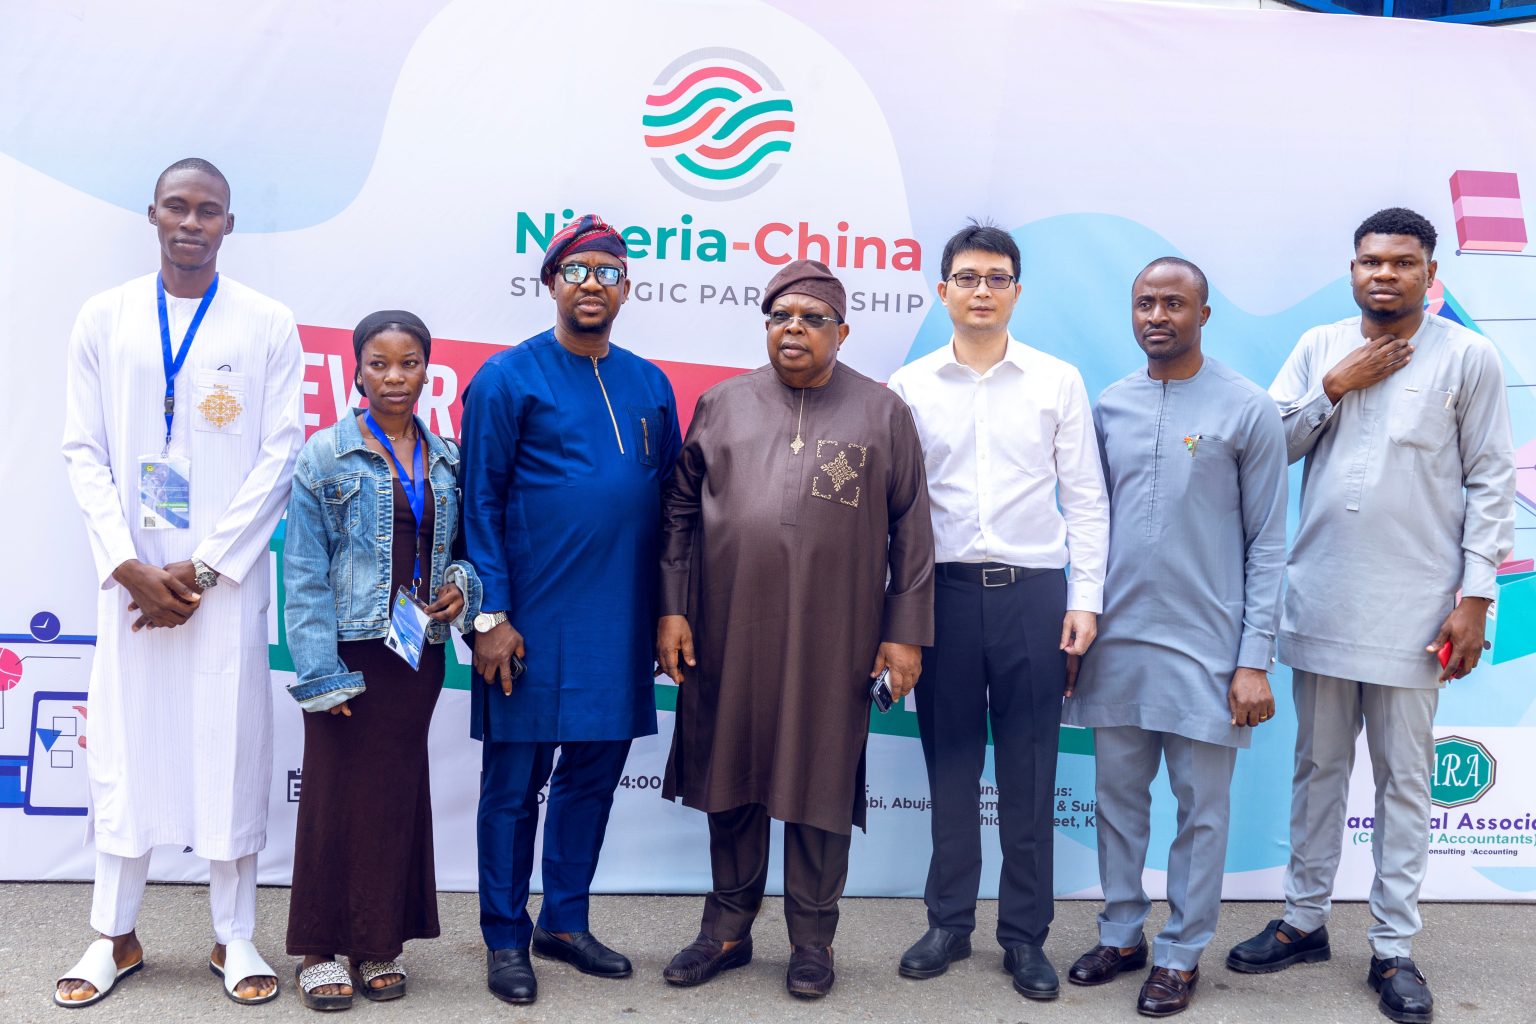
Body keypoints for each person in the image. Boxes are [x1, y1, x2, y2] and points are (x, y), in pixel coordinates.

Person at [1228, 208, 1515, 1024]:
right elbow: (1267, 451)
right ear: (1352, 270)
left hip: (1419, 609)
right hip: (1322, 594)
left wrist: (1475, 597)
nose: (1384, 274)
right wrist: (1334, 386)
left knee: (1404, 781)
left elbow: (1492, 481)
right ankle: (1303, 921)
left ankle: (1393, 948)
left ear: (1431, 274)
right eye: (1370, 261)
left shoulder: (1469, 357)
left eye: (1401, 262)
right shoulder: (1319, 347)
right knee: (1317, 769)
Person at [56, 158, 303, 1008]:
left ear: (230, 223)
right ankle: (113, 935)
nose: (192, 222)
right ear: (152, 214)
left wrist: (201, 567)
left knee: (228, 748)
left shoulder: (266, 322)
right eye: (177, 207)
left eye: (208, 210)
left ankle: (234, 935)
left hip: (221, 586)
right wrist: (127, 564)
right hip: (129, 584)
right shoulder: (106, 316)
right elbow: (83, 449)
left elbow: (280, 454)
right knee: (127, 752)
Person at [656, 259, 935, 1000]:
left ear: (843, 332)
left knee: (819, 778)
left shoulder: (883, 413)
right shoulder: (722, 404)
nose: (794, 329)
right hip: (727, 627)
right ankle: (725, 930)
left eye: (812, 318)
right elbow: (678, 511)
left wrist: (905, 634)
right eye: (781, 316)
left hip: (834, 635)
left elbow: (912, 530)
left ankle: (814, 940)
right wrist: (673, 609)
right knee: (731, 772)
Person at [459, 214, 681, 1006]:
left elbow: (670, 509)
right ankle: (505, 935)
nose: (592, 284)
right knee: (513, 788)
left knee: (591, 779)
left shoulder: (651, 384)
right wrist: (490, 618)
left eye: (607, 272)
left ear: (627, 288)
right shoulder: (506, 378)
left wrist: (667, 612)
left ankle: (565, 920)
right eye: (577, 270)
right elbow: (478, 503)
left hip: (618, 621)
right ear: (551, 282)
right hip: (528, 621)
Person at [886, 222, 1108, 999]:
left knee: (1030, 772)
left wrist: (1086, 600)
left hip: (1035, 597)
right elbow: (896, 511)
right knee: (949, 767)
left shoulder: (1056, 381)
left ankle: (1024, 936)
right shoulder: (909, 386)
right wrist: (897, 617)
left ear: (1017, 291)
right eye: (968, 277)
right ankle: (948, 923)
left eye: (997, 278)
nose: (982, 290)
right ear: (942, 290)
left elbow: (1086, 498)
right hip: (941, 596)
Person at [1061, 258, 1287, 1016]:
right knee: (1117, 801)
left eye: (1174, 303)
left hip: (1210, 650)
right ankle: (1121, 933)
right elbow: (1087, 525)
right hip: (1117, 643)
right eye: (1145, 303)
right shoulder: (1109, 405)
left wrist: (1254, 659)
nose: (1157, 316)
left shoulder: (1247, 408)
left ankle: (1182, 953)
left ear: (1204, 314)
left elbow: (1269, 543)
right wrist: (1078, 626)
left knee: (1202, 811)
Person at [281, 311, 482, 1010]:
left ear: (428, 370)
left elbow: (465, 553)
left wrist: (460, 588)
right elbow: (303, 573)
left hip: (415, 653)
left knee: (393, 795)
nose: (394, 377)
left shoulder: (448, 457)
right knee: (333, 794)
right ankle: (318, 949)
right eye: (379, 363)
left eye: (408, 363)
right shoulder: (325, 455)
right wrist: (320, 672)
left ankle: (376, 943)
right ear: (357, 370)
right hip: (347, 652)